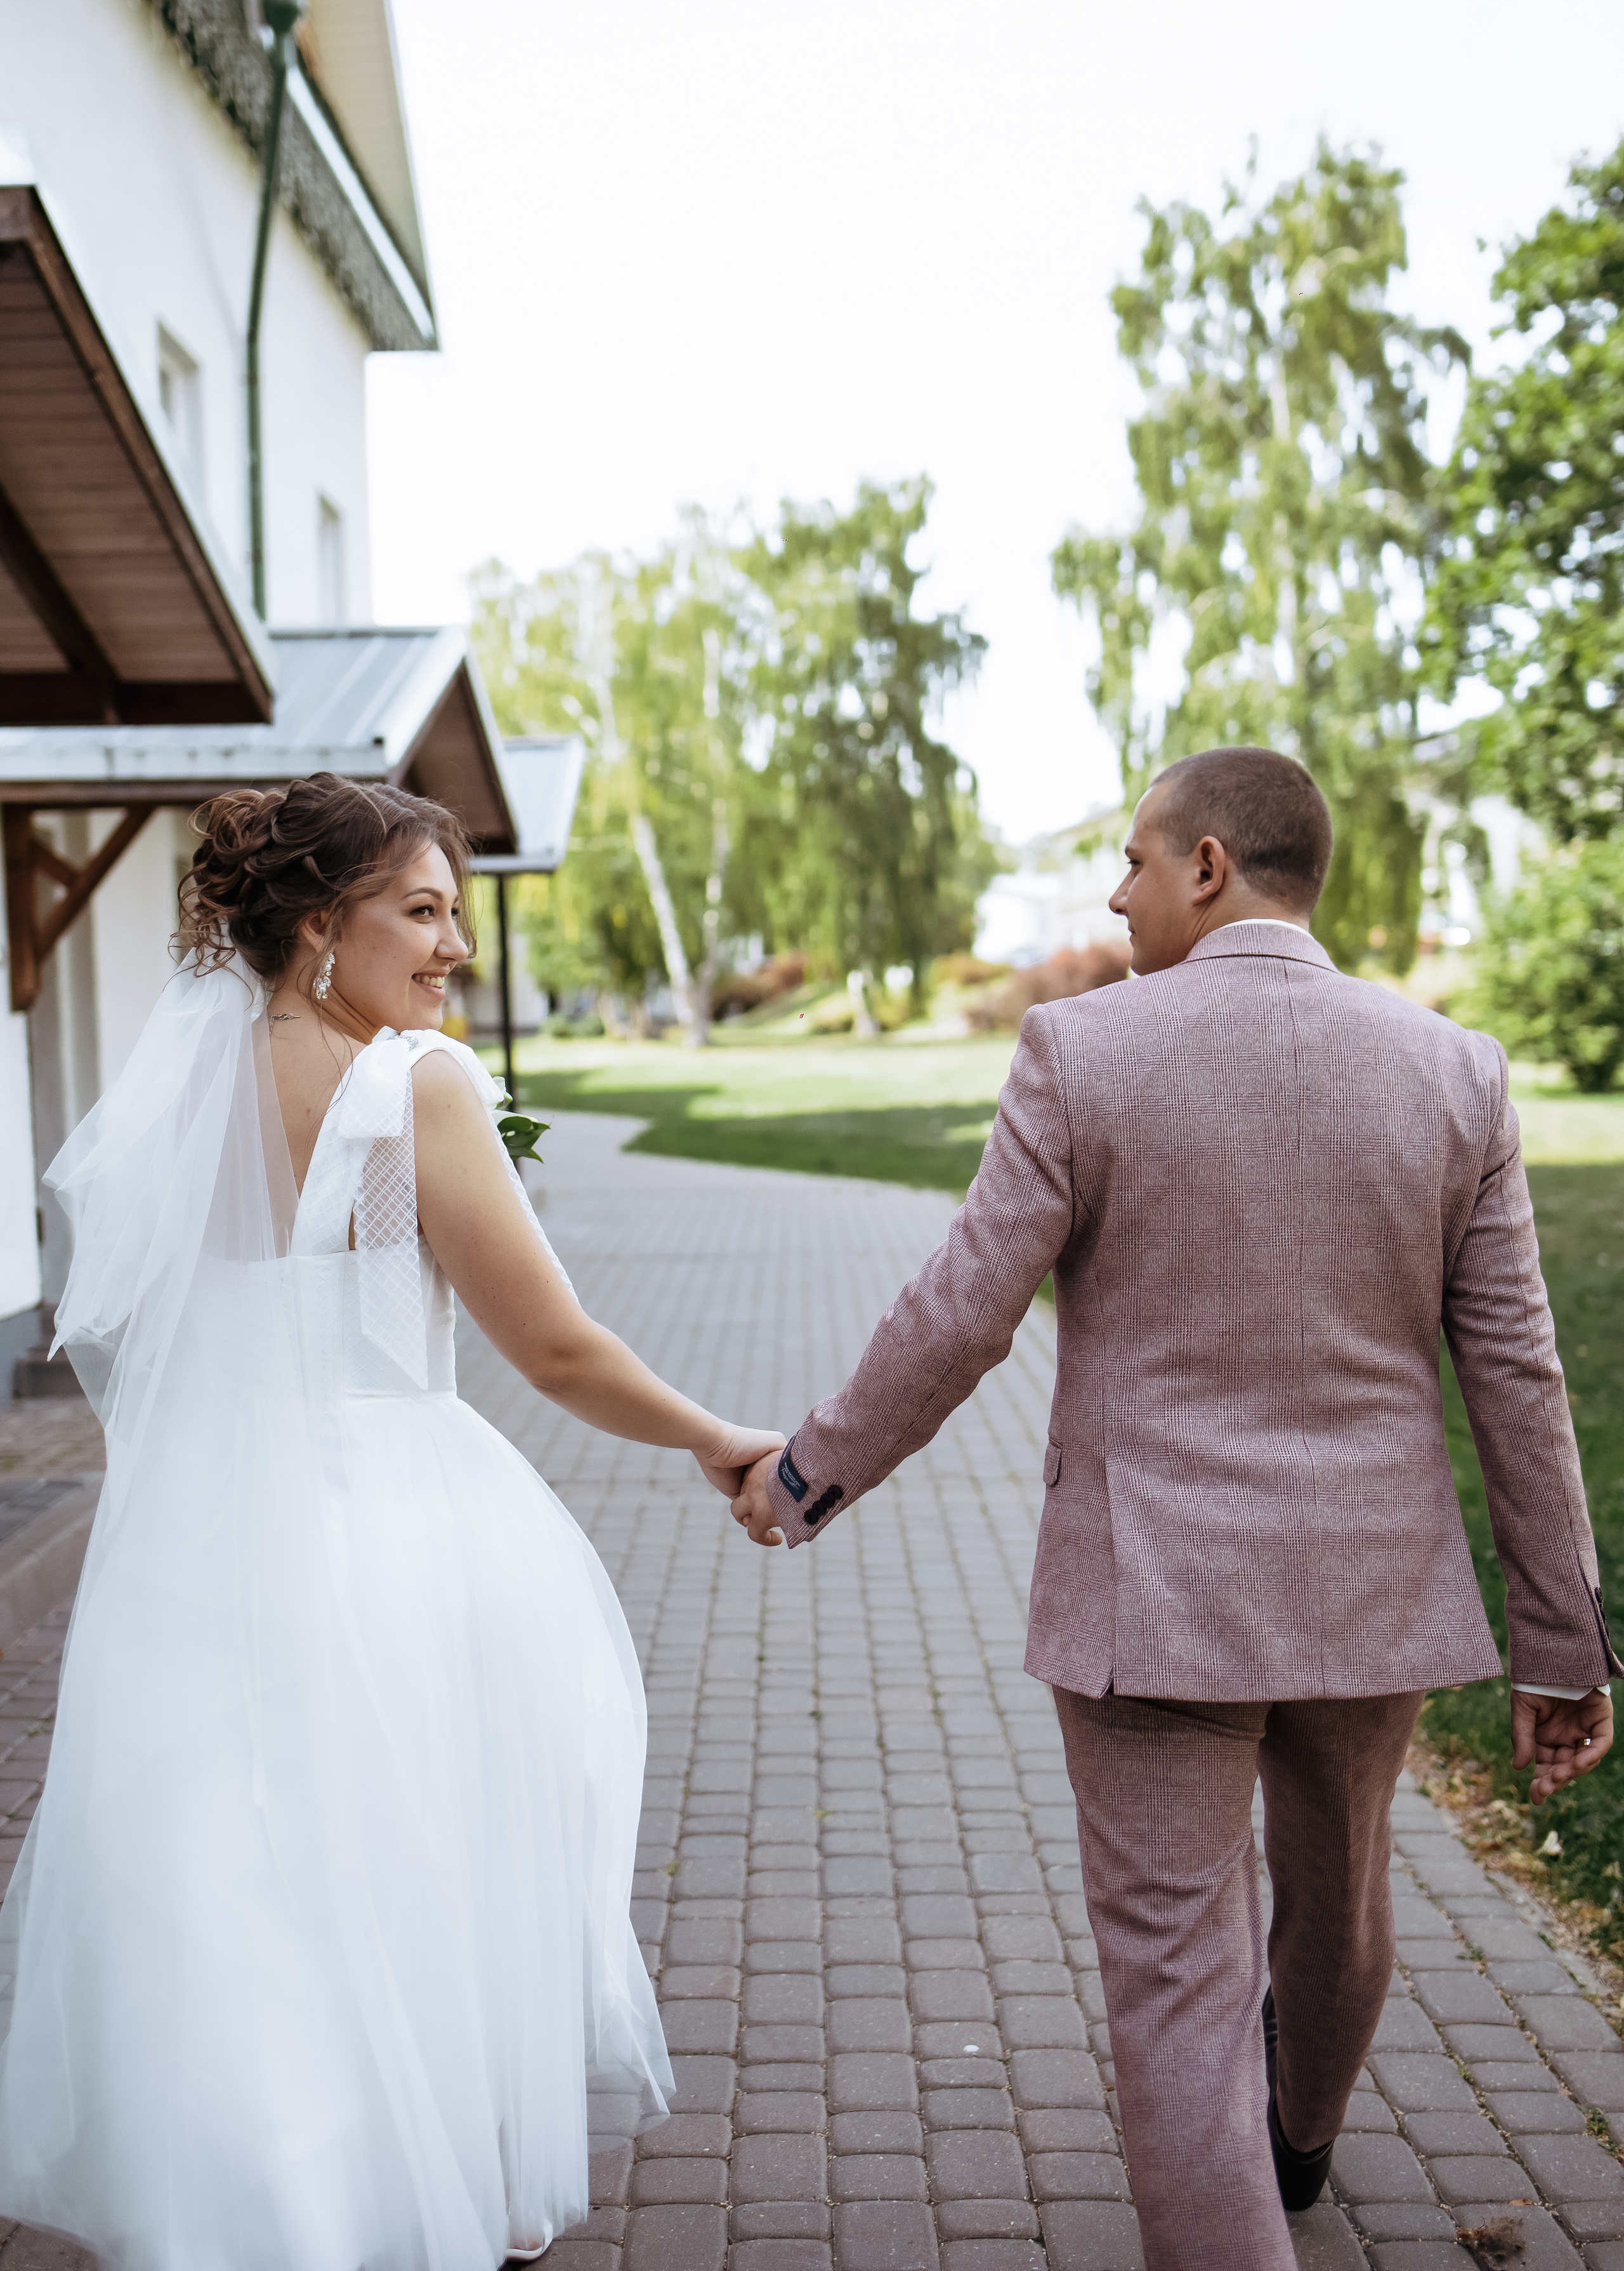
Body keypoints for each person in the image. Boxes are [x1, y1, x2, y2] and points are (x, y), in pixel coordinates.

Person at [730, 744, 1616, 2271]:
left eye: (1132, 864)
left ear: (1207, 865)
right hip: (1367, 1594)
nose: (1114, 896)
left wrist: (812, 1467)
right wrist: (1559, 1646)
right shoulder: (1454, 1069)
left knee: (1171, 1982)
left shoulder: (1081, 1054)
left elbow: (962, 1310)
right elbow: (1517, 1375)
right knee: (1336, 1905)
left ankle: (1242, 2202)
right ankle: (1296, 2150)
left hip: (1150, 1605)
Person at [0, 774, 780, 2271]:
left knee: (236, 1888)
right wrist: (714, 1435)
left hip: (195, 1542)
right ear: (315, 925)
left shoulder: (187, 1089)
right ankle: (389, 2196)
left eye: (455, 919)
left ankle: (243, 2210)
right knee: (407, 1862)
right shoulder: (414, 1087)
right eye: (420, 913)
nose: (451, 955)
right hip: (383, 1531)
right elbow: (550, 1348)